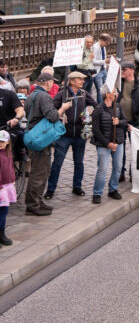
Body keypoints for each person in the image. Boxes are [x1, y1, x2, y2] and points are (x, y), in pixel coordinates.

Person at [24, 73, 73, 216]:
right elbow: (51, 116)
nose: (53, 84)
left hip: (34, 135)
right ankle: (33, 205)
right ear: (46, 82)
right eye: (52, 82)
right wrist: (63, 108)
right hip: (41, 138)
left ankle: (37, 201)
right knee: (39, 173)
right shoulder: (44, 96)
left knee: (40, 171)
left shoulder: (31, 95)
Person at [46, 71, 96, 199]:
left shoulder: (84, 94)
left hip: (79, 134)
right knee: (57, 162)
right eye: (80, 79)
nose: (83, 81)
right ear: (72, 81)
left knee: (79, 162)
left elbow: (96, 106)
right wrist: (60, 113)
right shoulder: (62, 94)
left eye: (83, 80)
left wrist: (90, 111)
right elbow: (51, 109)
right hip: (64, 135)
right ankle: (51, 189)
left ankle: (77, 187)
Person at [90, 85, 126, 204]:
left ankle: (113, 189)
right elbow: (95, 130)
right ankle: (97, 193)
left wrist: (119, 122)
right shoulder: (98, 109)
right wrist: (107, 144)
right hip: (103, 144)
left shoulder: (118, 107)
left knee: (117, 167)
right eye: (114, 91)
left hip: (118, 142)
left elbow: (125, 121)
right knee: (102, 169)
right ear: (107, 94)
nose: (117, 94)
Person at [0, 131, 17, 247]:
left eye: (2, 141)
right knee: (2, 211)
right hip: (0, 187)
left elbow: (10, 167)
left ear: (7, 142)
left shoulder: (8, 153)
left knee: (5, 210)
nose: (0, 143)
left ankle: (2, 233)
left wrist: (13, 178)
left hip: (7, 185)